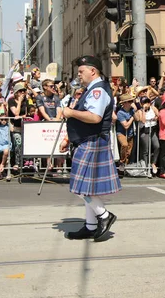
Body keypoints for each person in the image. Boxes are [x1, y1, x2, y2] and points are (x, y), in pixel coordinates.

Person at [60, 56, 121, 241]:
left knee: (80, 187)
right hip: (87, 141)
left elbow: (94, 117)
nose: (79, 75)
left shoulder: (98, 91)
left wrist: (70, 112)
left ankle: (103, 215)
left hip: (93, 141)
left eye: (81, 71)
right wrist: (68, 137)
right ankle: (91, 225)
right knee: (87, 187)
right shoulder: (92, 90)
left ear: (92, 71)